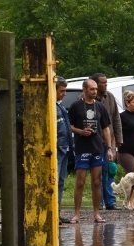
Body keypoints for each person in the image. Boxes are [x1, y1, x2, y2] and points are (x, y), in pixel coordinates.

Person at [67, 79, 114, 223]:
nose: (94, 91)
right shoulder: (76, 106)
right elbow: (69, 126)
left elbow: (106, 128)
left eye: (95, 89)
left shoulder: (100, 107)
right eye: (91, 89)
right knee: (80, 181)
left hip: (98, 148)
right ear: (84, 89)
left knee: (96, 181)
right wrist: (81, 131)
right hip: (82, 148)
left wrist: (110, 148)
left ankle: (96, 214)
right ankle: (76, 214)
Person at [82, 73, 123, 210]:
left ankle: (110, 202)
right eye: (103, 83)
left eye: (106, 83)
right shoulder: (82, 99)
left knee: (109, 171)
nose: (105, 85)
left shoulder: (109, 97)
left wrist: (118, 142)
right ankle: (98, 203)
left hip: (108, 140)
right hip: (91, 141)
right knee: (96, 174)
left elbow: (116, 119)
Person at [55, 76, 74, 223]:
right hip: (57, 149)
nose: (64, 93)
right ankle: (53, 212)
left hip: (64, 148)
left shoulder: (59, 106)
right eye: (62, 90)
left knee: (60, 181)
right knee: (54, 181)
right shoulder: (51, 106)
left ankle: (57, 212)